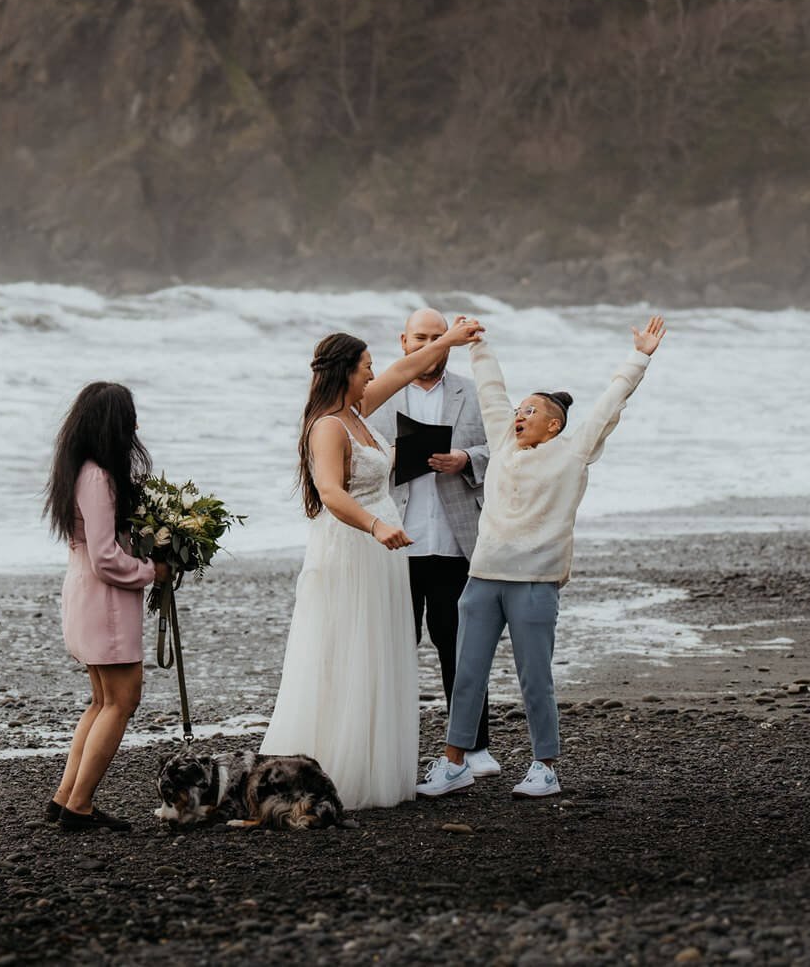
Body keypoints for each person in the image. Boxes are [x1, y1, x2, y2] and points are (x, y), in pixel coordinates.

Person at [415, 314, 667, 801]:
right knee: (466, 673)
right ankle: (453, 764)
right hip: (483, 578)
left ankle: (544, 767)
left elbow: (611, 403)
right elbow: (491, 390)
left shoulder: (573, 454)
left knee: (535, 678)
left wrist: (639, 357)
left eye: (531, 411)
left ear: (554, 425)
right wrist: (477, 344)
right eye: (520, 409)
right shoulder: (504, 443)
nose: (519, 414)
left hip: (534, 583)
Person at [260, 314, 484, 809]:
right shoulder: (327, 426)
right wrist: (377, 525)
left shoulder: (360, 411)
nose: (372, 372)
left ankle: (374, 762)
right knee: (348, 650)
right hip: (353, 547)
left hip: (381, 554)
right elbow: (329, 492)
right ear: (345, 372)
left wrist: (449, 339)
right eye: (365, 366)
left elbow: (408, 370)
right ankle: (333, 769)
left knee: (380, 650)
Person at [367, 308, 496, 775]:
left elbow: (505, 446)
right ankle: (392, 749)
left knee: (459, 645)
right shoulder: (375, 395)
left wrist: (466, 458)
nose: (429, 344)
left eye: (438, 336)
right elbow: (349, 457)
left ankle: (474, 746)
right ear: (403, 341)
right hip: (392, 542)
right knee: (394, 647)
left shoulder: (473, 391)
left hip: (454, 539)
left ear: (451, 340)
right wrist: (393, 457)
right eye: (420, 336)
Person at [44, 381, 171, 833]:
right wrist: (150, 571)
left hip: (86, 595)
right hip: (104, 601)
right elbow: (104, 556)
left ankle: (65, 797)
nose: (136, 425)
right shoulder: (99, 476)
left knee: (102, 700)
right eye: (130, 418)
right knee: (122, 699)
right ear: (113, 425)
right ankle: (79, 806)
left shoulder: (78, 470)